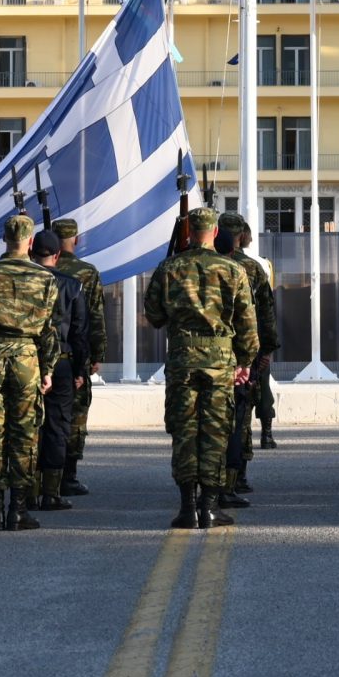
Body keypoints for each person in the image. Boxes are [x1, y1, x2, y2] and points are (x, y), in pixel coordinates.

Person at [144, 207, 257, 529]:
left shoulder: (169, 268)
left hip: (182, 358)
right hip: (219, 361)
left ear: (189, 232)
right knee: (215, 432)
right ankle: (209, 507)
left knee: (184, 431)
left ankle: (186, 507)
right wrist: (245, 361)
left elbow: (154, 315)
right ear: (215, 233)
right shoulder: (233, 270)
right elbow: (247, 323)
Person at [0, 214, 60, 532]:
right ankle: (18, 509)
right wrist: (46, 369)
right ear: (30, 241)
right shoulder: (45, 278)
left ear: (5, 239)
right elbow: (48, 331)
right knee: (24, 434)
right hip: (27, 360)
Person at [214, 211, 278, 505]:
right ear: (241, 235)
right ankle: (236, 476)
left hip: (204, 355)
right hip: (244, 353)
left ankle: (207, 476)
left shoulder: (196, 264)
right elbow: (265, 314)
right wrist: (265, 351)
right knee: (240, 415)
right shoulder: (251, 269)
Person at [32, 230, 94, 512]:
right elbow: (81, 331)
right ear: (57, 255)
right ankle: (51, 492)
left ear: (32, 252)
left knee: (30, 426)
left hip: (30, 362)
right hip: (63, 363)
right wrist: (81, 369)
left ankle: (28, 490)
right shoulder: (72, 285)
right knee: (58, 426)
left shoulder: (25, 281)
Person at [52, 217, 104, 494]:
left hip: (47, 353)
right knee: (76, 415)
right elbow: (93, 318)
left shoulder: (42, 267)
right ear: (77, 239)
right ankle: (68, 475)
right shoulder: (86, 272)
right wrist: (97, 354)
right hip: (75, 352)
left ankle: (45, 474)